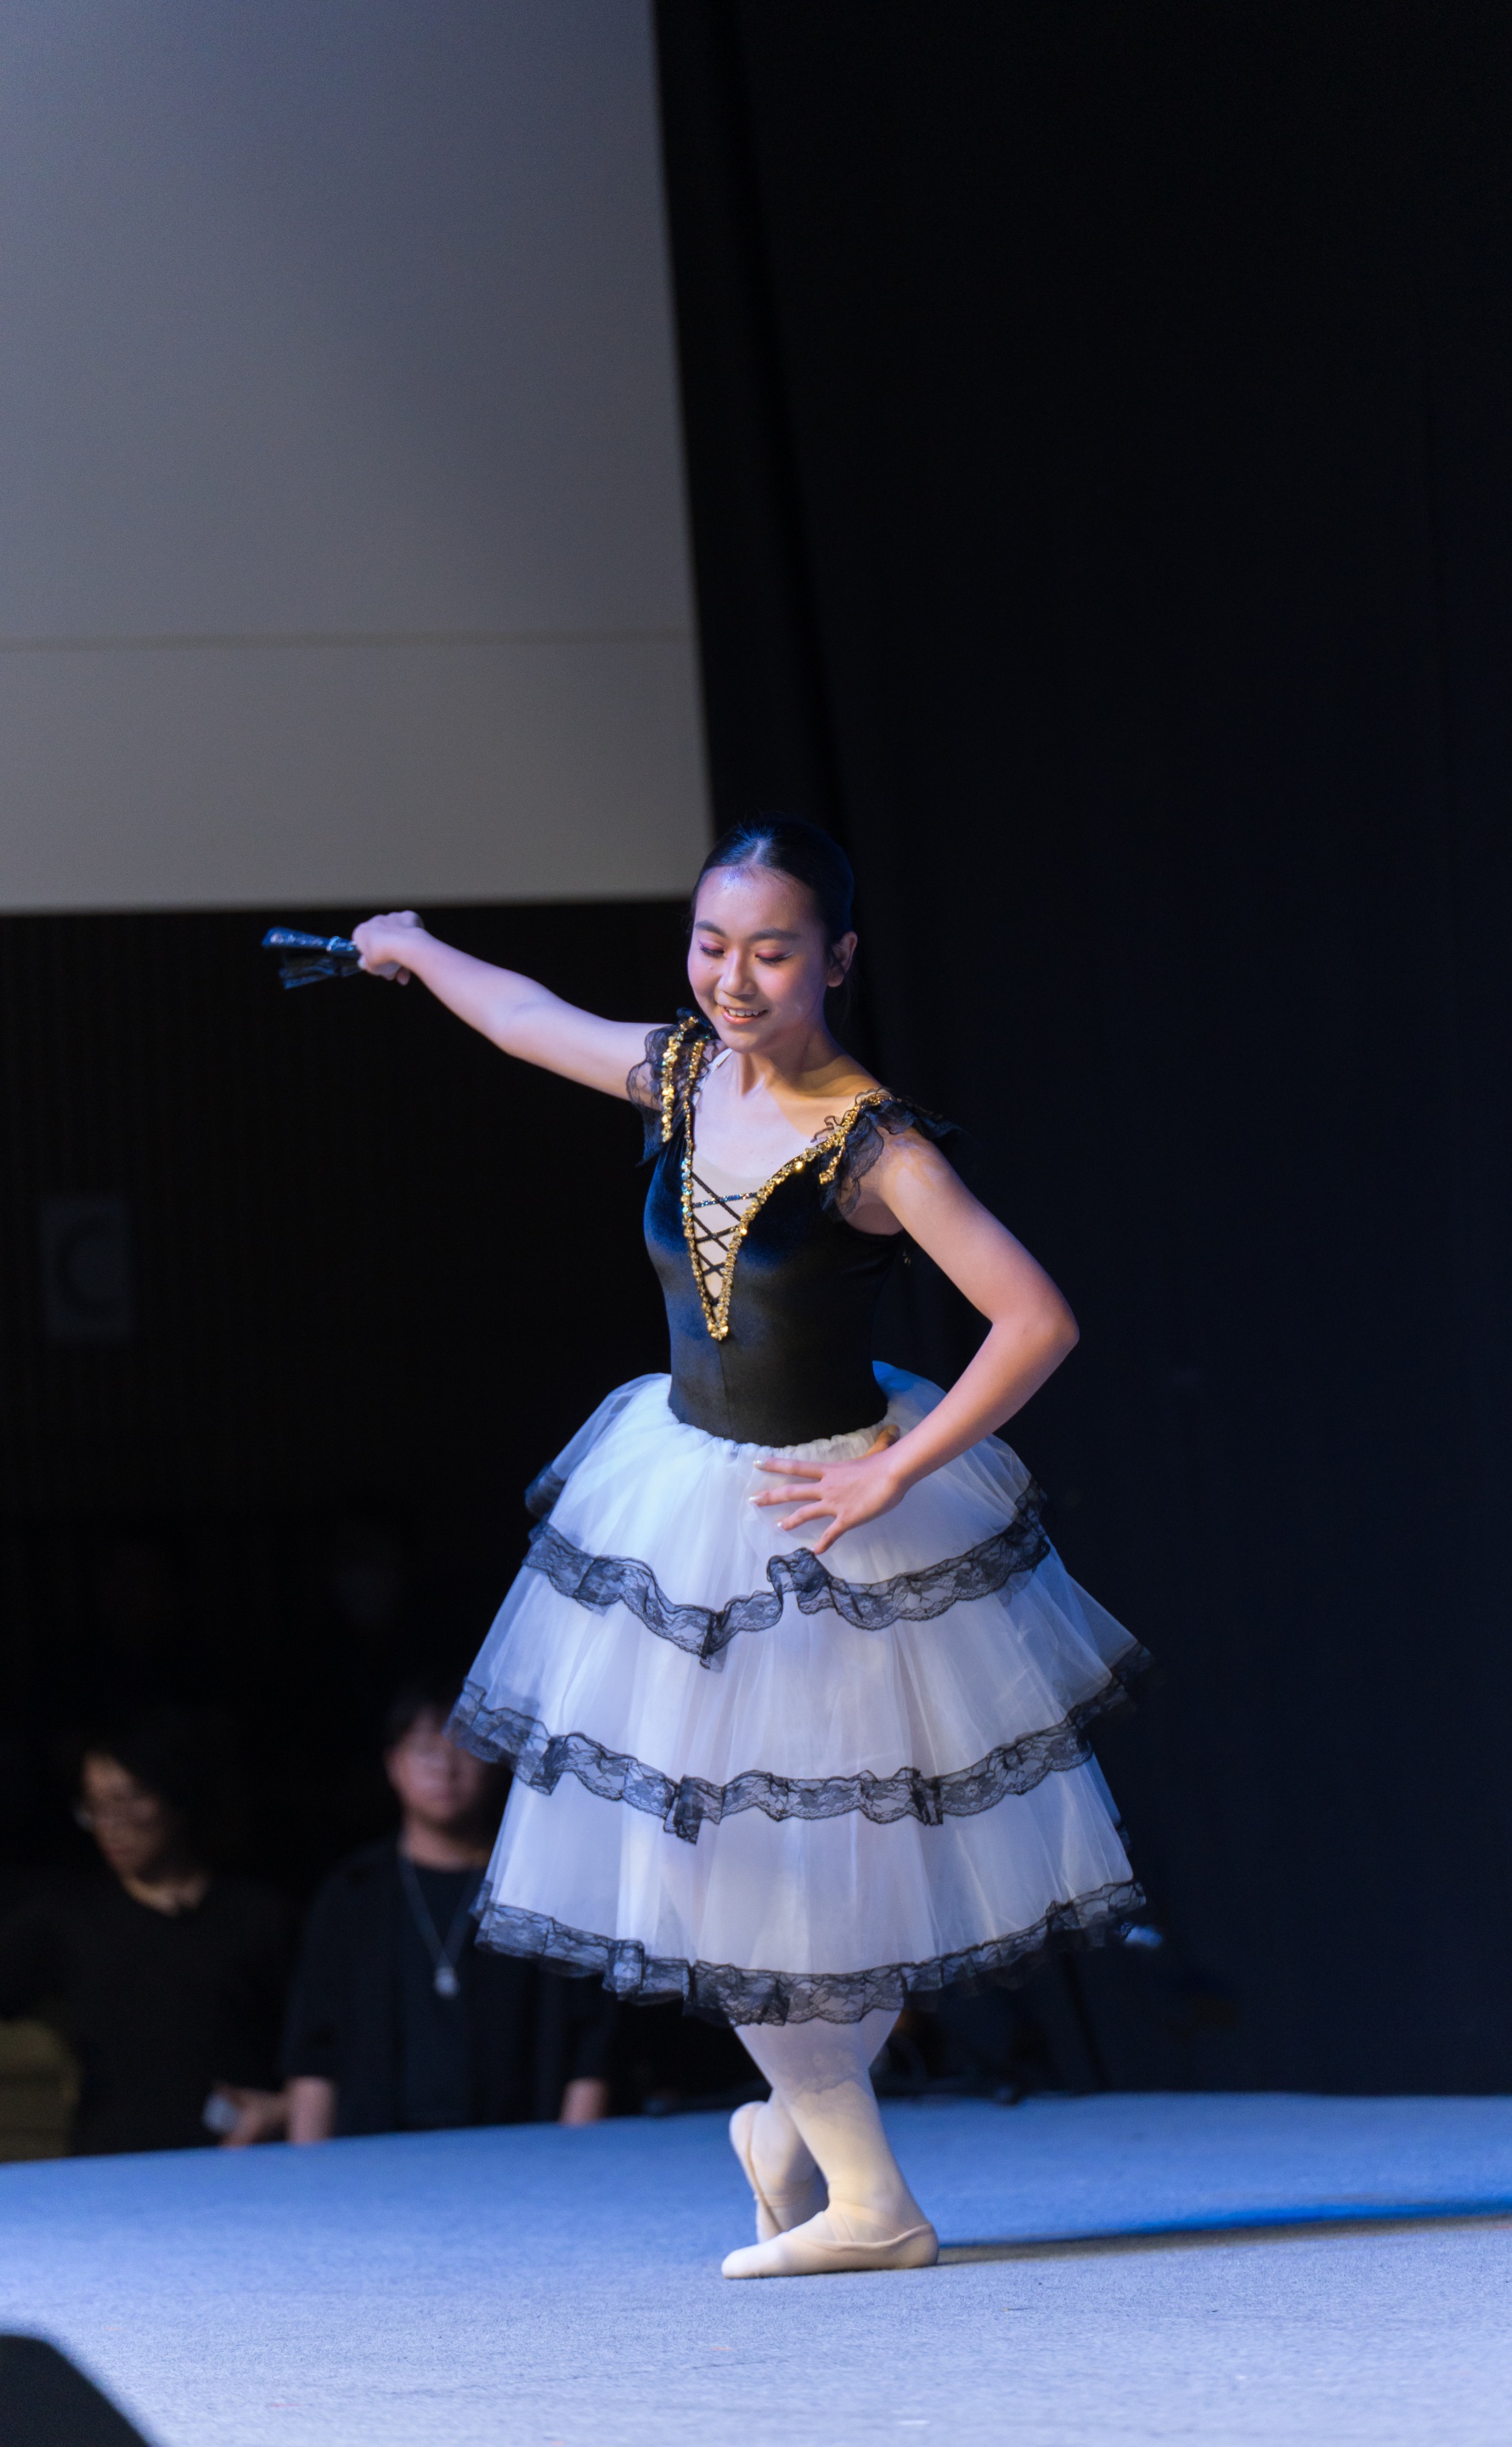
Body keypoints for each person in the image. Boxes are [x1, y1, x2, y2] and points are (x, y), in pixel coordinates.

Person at [349, 816, 1148, 2276]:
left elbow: (1035, 1318)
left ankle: (866, 2197)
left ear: (835, 960)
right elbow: (528, 1019)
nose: (731, 977)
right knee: (735, 1867)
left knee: (827, 1867)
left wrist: (897, 1467)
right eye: (711, 945)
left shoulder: (874, 1143)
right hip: (684, 1505)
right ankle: (803, 2138)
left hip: (823, 1521)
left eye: (770, 951)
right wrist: (414, 947)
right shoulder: (680, 1073)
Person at [273, 1680, 616, 2140]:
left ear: (497, 1760)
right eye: (424, 1750)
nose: (445, 1768)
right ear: (393, 1764)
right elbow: (314, 2053)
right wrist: (309, 2171)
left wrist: (573, 2158)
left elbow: (591, 2047)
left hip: (524, 2153)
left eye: (466, 1747)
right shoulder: (353, 1895)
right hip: (377, 2158)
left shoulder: (541, 1890)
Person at [0, 1711, 294, 2155]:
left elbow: (332, 2051)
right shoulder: (66, 1919)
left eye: (129, 1799)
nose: (111, 1823)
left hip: (238, 2166)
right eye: (95, 1806)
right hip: (111, 2170)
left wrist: (283, 2109)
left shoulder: (259, 1918)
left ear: (177, 1799)